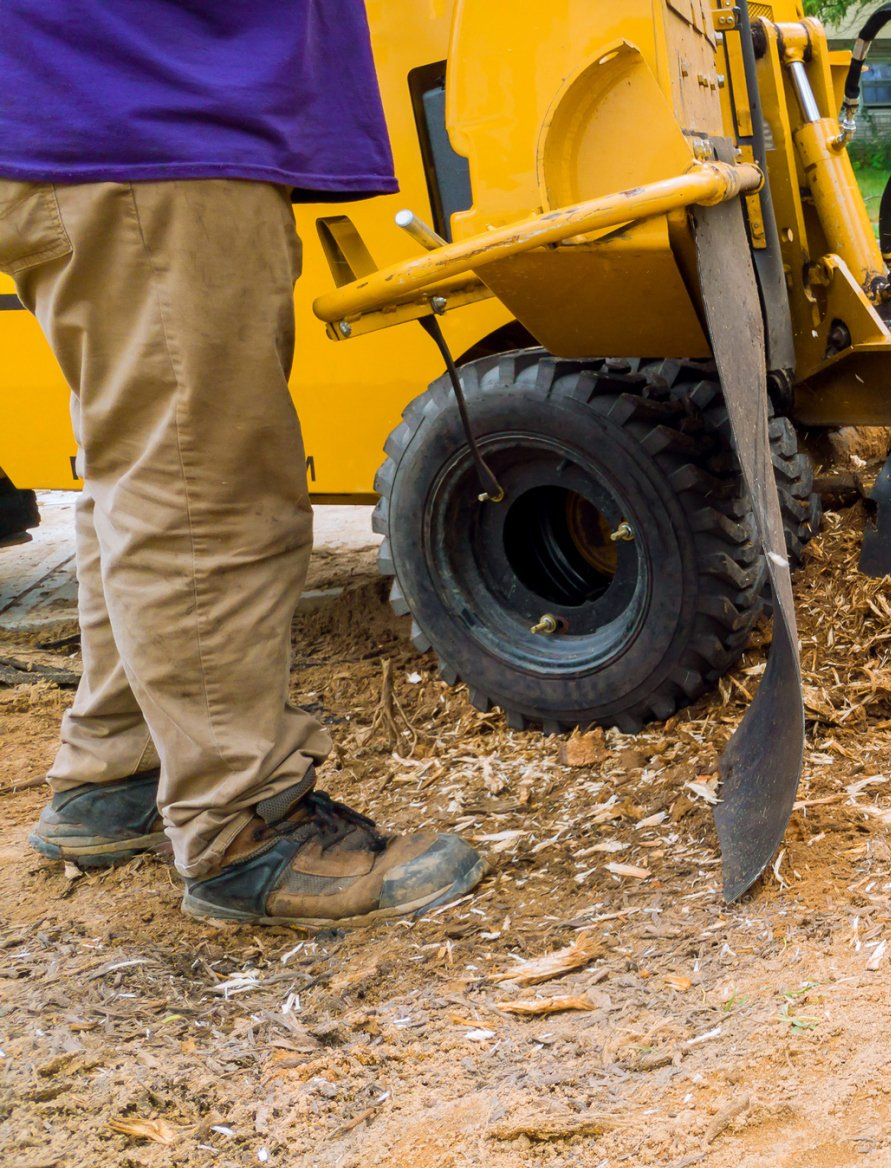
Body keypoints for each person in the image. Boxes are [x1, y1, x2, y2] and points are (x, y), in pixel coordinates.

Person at [0, 2, 484, 926]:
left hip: (90, 101)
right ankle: (244, 830)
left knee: (149, 464)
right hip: (143, 104)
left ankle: (118, 773)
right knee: (207, 487)